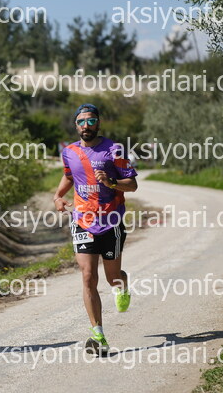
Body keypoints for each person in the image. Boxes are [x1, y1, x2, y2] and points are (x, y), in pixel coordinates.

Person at [54, 104, 138, 356]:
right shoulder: (69, 152)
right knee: (88, 276)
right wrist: (58, 196)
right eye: (82, 121)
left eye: (91, 121)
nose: (86, 126)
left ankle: (122, 284)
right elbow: (70, 175)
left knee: (112, 278)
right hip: (82, 221)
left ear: (98, 123)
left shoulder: (115, 150)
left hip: (111, 221)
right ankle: (98, 335)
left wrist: (111, 182)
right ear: (76, 125)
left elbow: (132, 184)